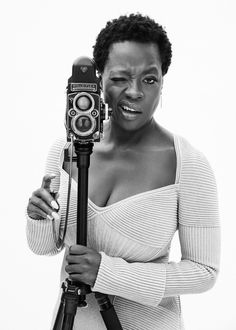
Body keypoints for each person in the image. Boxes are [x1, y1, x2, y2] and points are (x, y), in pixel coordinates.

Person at [26, 13, 220, 330]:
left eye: (149, 78)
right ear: (99, 79)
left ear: (162, 81)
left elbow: (204, 272)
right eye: (119, 79)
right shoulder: (66, 150)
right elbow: (46, 247)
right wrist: (39, 218)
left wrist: (108, 273)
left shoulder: (187, 163)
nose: (135, 92)